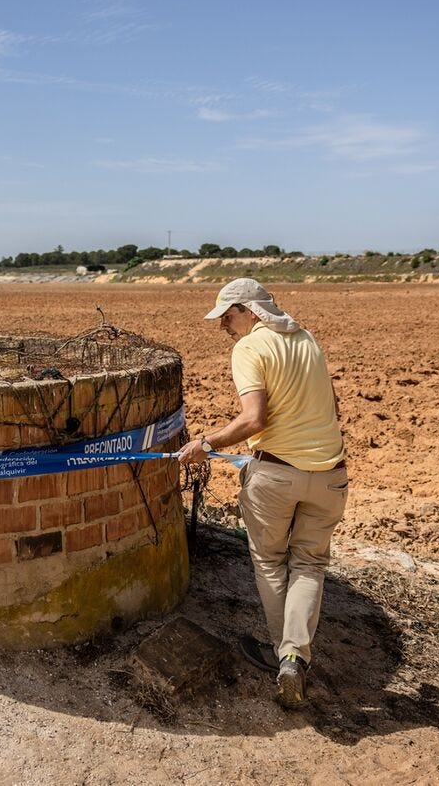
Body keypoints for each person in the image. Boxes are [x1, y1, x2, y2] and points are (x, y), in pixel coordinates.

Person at [178, 278, 346, 709]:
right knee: (309, 563)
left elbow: (254, 419)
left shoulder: (250, 348)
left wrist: (207, 444)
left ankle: (284, 657)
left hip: (275, 475)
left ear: (250, 311)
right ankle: (297, 655)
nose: (224, 327)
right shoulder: (307, 339)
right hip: (330, 476)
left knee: (270, 562)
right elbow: (332, 406)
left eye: (228, 317)